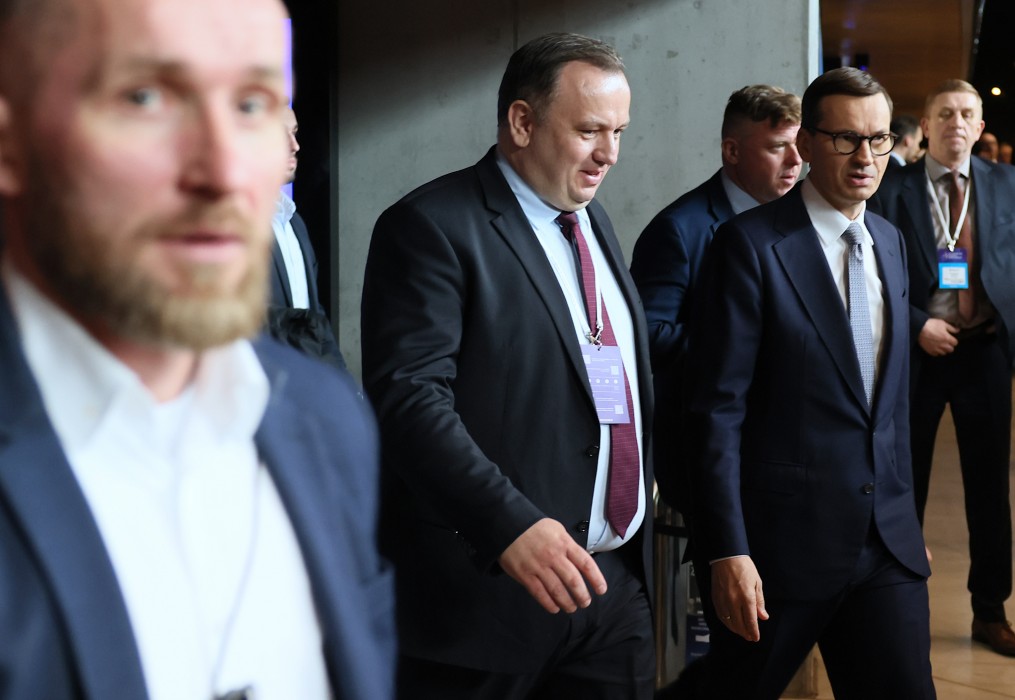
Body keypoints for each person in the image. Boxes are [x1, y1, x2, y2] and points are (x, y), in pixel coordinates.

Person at [0, 0, 394, 698]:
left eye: (252, 104)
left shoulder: (327, 422)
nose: (224, 169)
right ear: (11, 143)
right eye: (144, 97)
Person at [361, 32, 655, 700]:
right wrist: (508, 524)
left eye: (618, 132)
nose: (609, 153)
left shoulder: (592, 221)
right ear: (522, 122)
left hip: (610, 592)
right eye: (589, 130)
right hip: (486, 601)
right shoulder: (430, 226)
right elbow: (409, 399)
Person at [686, 67, 935, 698]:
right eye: (845, 139)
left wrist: (906, 523)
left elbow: (891, 406)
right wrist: (727, 550)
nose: (865, 157)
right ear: (806, 144)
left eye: (879, 139)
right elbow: (717, 411)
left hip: (885, 547)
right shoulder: (749, 245)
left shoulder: (889, 241)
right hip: (781, 550)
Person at [874, 79, 1015, 658]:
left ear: (979, 127)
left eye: (966, 114)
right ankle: (893, 609)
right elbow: (872, 274)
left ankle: (990, 611)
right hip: (918, 353)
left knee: (990, 488)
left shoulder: (1006, 183)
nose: (956, 122)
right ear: (927, 125)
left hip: (985, 350)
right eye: (945, 113)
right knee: (905, 483)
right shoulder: (891, 188)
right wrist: (917, 325)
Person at [630, 83, 801, 516]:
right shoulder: (678, 229)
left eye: (799, 145)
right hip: (711, 455)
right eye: (778, 147)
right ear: (732, 151)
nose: (796, 161)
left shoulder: (801, 223)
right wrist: (746, 348)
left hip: (789, 450)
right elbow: (647, 334)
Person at [266, 107, 347, 370]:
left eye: (295, 133)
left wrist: (344, 387)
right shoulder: (226, 228)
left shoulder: (294, 223)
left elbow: (316, 320)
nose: (295, 146)